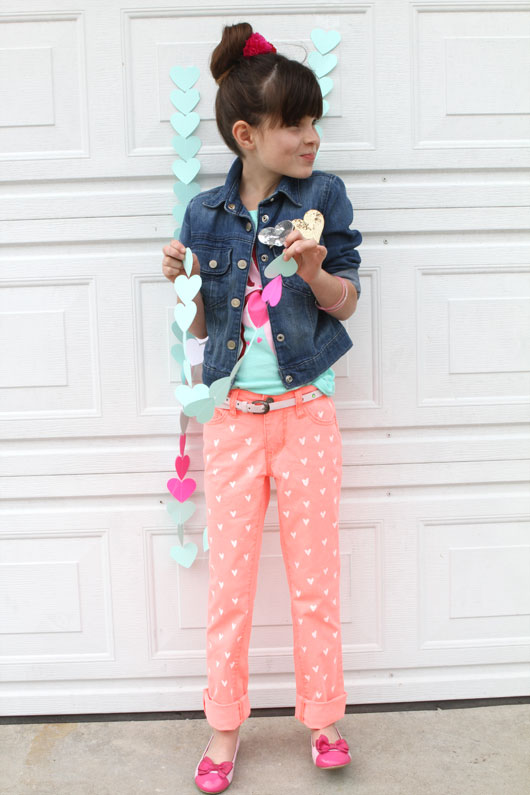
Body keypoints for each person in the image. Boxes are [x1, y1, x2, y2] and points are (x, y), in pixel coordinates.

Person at [162, 22, 362, 793]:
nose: (312, 136)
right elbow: (203, 330)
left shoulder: (325, 198)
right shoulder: (204, 217)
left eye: (315, 121)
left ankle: (323, 720)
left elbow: (345, 304)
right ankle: (223, 729)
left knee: (315, 578)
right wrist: (180, 283)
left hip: (307, 414)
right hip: (235, 422)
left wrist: (312, 272)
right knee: (230, 587)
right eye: (295, 123)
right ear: (248, 134)